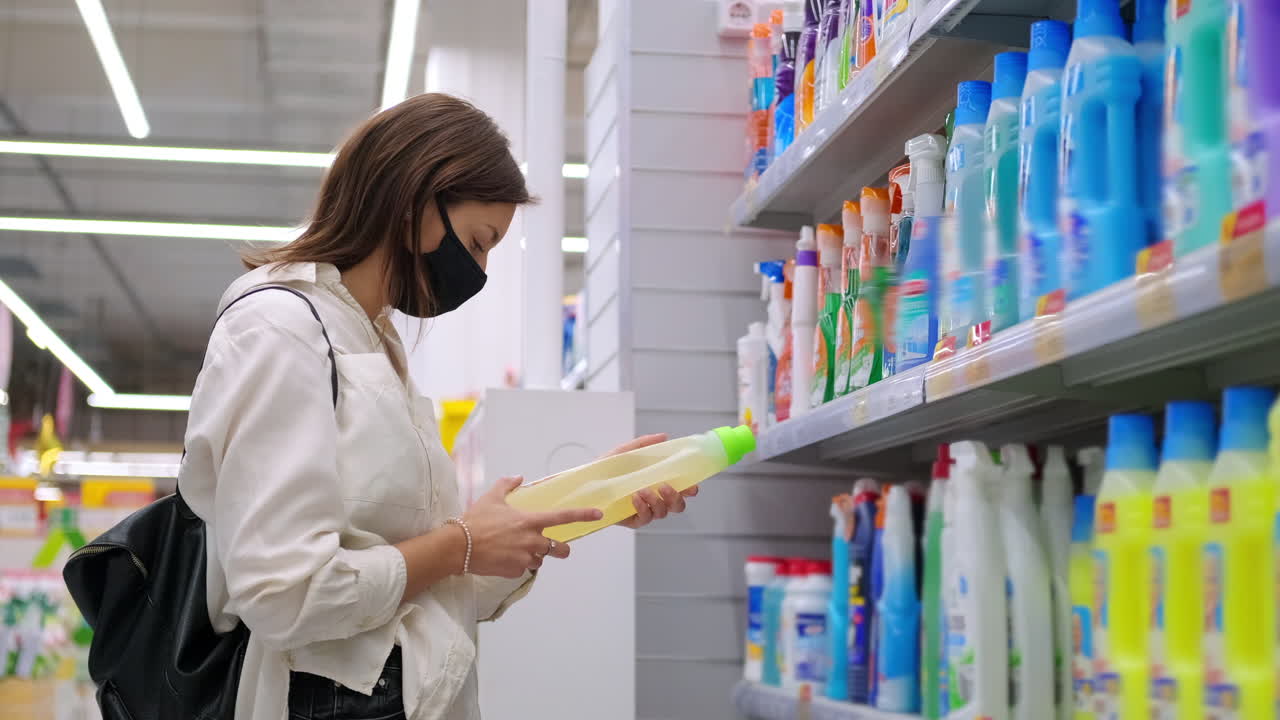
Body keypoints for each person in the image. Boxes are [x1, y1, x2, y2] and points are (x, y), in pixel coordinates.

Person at [178, 93, 695, 720]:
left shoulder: (373, 342)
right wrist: (460, 544)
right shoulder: (280, 328)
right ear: (419, 201)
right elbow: (282, 591)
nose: (476, 272)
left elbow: (435, 587)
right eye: (478, 242)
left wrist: (596, 496)